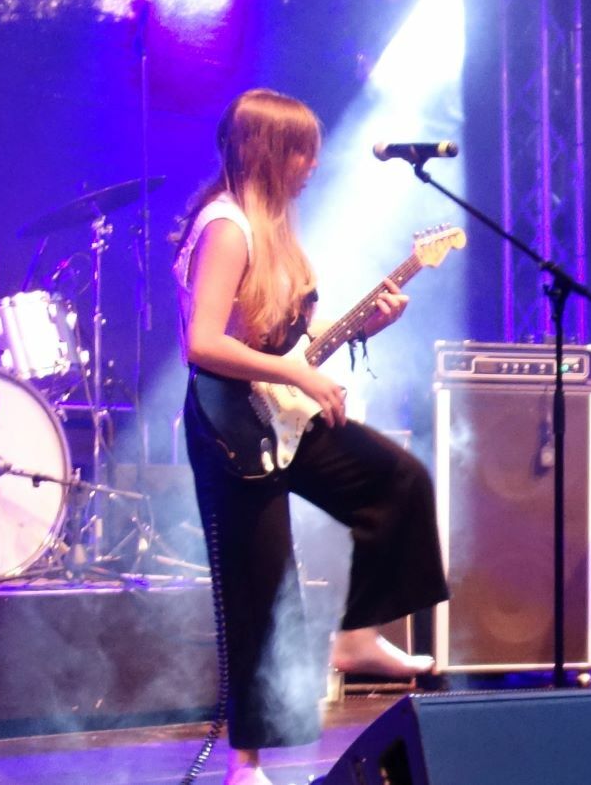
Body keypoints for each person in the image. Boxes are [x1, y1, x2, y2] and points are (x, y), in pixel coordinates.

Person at [172, 88, 448, 785]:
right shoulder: (227, 227)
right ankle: (244, 768)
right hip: (230, 424)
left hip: (280, 410)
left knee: (398, 480)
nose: (314, 165)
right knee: (260, 588)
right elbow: (203, 343)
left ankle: (357, 637)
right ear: (268, 153)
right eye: (302, 151)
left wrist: (364, 325)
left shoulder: (275, 231)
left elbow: (287, 339)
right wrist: (297, 370)